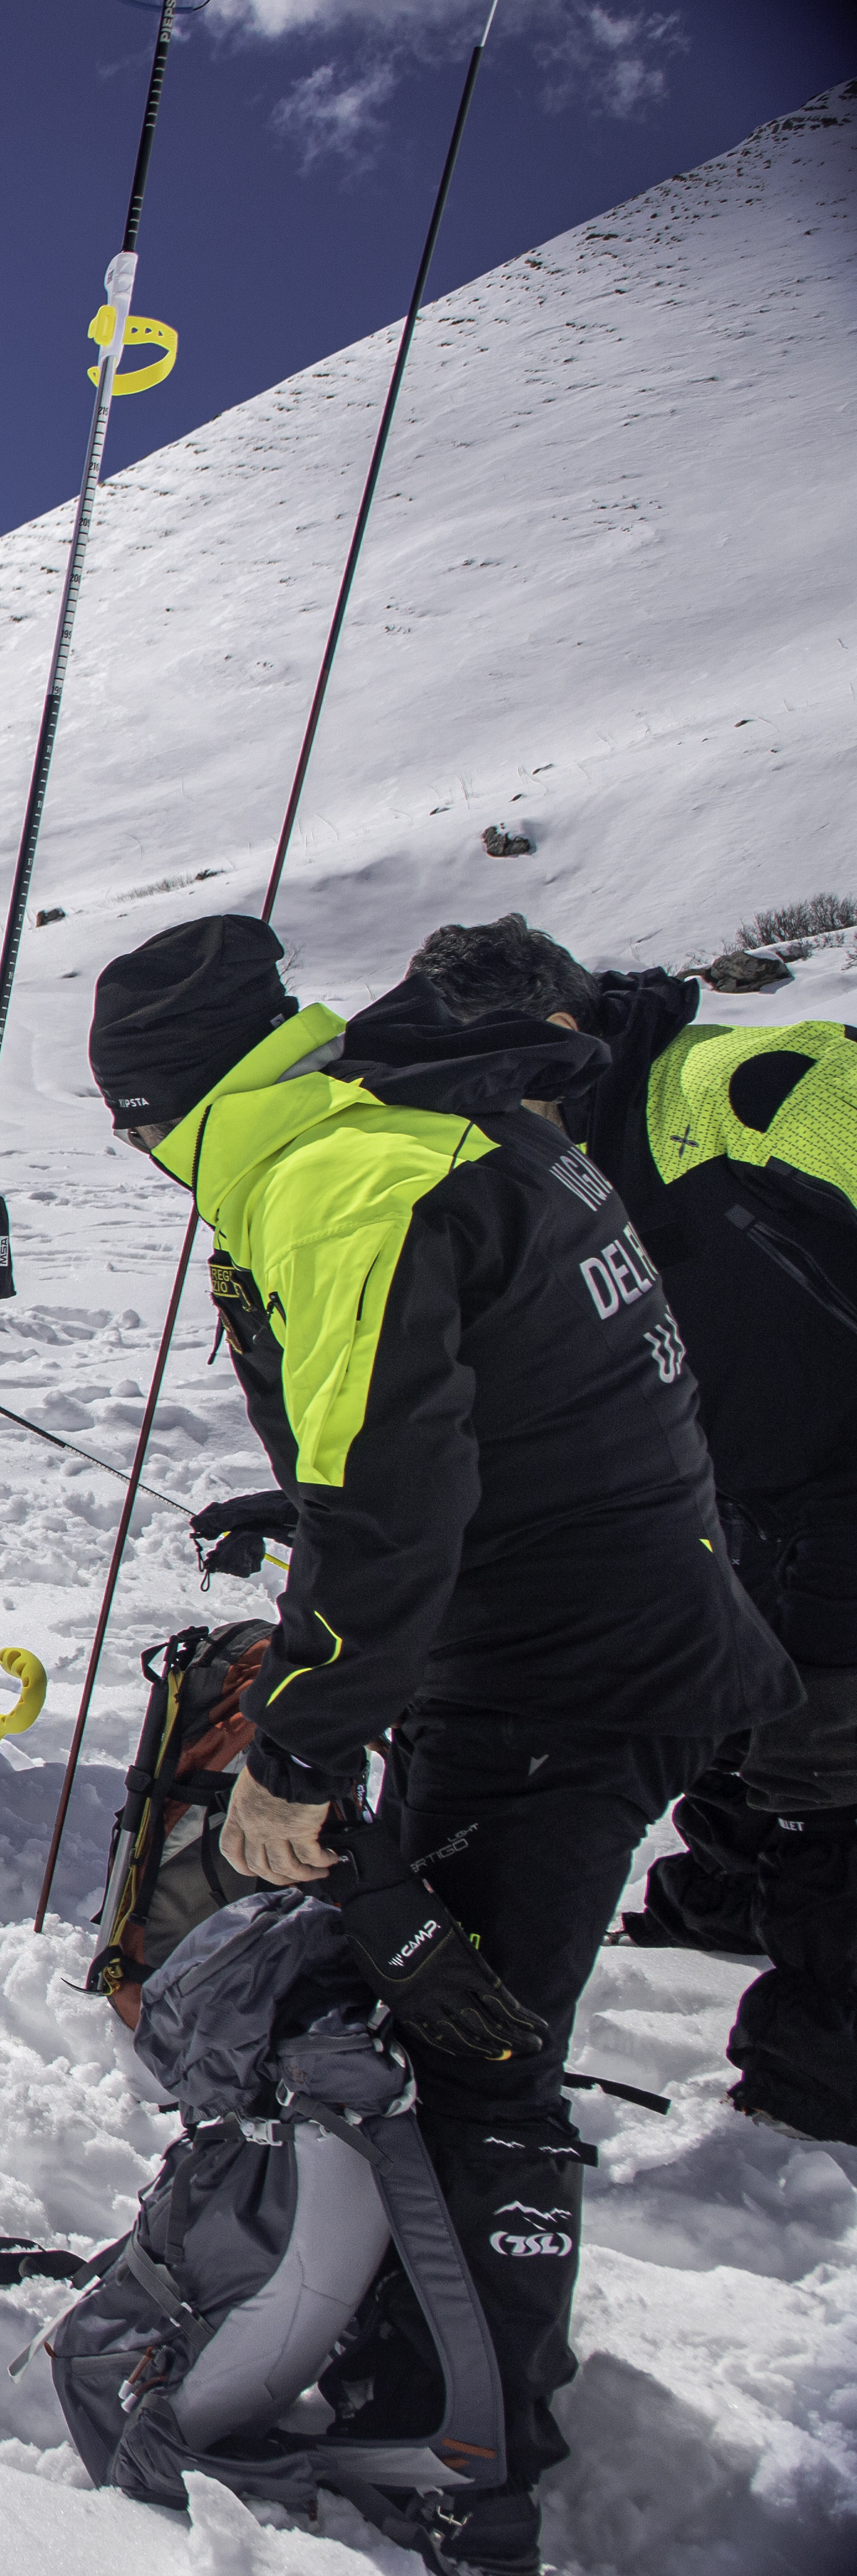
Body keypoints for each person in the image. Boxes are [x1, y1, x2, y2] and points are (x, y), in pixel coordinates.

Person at [89, 913, 800, 2576]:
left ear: (153, 1110)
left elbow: (393, 1507)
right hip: (608, 1624)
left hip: (563, 1674)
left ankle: (461, 2437)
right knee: (456, 2009)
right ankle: (418, 2349)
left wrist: (300, 1755)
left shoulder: (327, 1178)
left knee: (467, 2041)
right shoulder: (400, 1116)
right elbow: (475, 1402)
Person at [402, 913, 857, 2142]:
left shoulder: (744, 1088)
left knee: (831, 1750)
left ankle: (823, 2087)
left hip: (835, 1476)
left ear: (555, 1036)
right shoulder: (555, 1163)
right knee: (722, 1683)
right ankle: (719, 1913)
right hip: (744, 1488)